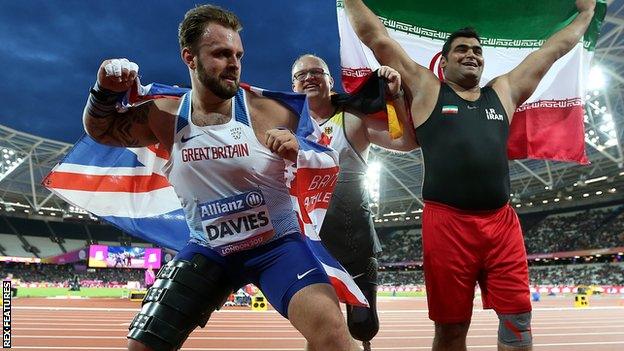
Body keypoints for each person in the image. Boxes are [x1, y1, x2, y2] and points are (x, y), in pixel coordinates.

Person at [83, 4, 360, 351]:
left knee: (334, 338)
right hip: (209, 250)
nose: (233, 63)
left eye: (238, 54)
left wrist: (298, 149)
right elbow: (102, 131)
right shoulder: (166, 115)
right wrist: (104, 90)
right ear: (190, 57)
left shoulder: (267, 111)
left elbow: (323, 152)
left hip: (276, 248)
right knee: (141, 348)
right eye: (221, 53)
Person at [343, 0, 597, 350]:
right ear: (443, 62)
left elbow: (552, 50)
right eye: (461, 49)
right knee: (451, 330)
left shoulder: (503, 92)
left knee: (518, 323)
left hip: (501, 224)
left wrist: (586, 14)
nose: (472, 55)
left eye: (477, 50)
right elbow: (377, 39)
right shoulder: (428, 89)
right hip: (448, 226)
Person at [291, 54, 417, 350]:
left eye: (317, 72)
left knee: (363, 327)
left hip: (353, 241)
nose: (309, 77)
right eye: (302, 75)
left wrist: (396, 94)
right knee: (320, 328)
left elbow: (406, 141)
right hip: (311, 244)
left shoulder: (351, 117)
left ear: (330, 81)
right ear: (293, 86)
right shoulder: (284, 123)